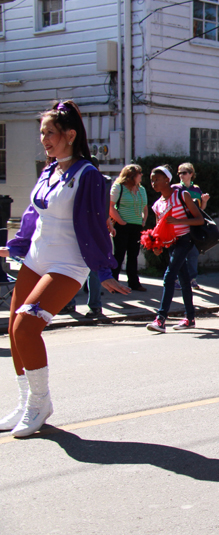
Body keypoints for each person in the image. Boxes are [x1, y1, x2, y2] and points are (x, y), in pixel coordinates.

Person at [0, 100, 129, 437]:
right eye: (42, 133)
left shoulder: (87, 175)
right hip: (36, 257)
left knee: (27, 327)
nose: (44, 139)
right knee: (14, 330)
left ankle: (41, 403)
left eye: (51, 133)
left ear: (70, 135)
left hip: (67, 263)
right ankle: (25, 401)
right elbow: (32, 216)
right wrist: (13, 247)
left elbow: (95, 226)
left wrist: (104, 271)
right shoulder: (48, 170)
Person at [145, 165, 204, 333]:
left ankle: (161, 319)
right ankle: (190, 318)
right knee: (184, 279)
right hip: (171, 243)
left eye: (157, 179)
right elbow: (160, 228)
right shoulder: (157, 205)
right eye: (152, 180)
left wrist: (178, 222)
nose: (154, 182)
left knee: (169, 276)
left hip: (185, 240)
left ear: (167, 179)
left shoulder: (181, 195)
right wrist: (158, 245)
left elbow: (199, 219)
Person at [109, 164, 148, 292]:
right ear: (131, 176)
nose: (141, 175)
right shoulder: (119, 187)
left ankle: (134, 283)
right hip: (122, 226)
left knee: (133, 254)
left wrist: (143, 220)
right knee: (119, 254)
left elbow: (145, 207)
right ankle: (113, 283)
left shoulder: (141, 189)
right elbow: (110, 206)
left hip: (136, 226)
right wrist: (121, 221)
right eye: (139, 173)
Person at [173, 163, 209, 289]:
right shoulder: (175, 188)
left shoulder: (196, 189)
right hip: (180, 225)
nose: (181, 175)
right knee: (179, 253)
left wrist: (204, 201)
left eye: (184, 172)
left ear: (191, 174)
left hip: (193, 226)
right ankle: (176, 279)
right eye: (179, 173)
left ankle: (192, 279)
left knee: (193, 253)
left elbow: (200, 210)